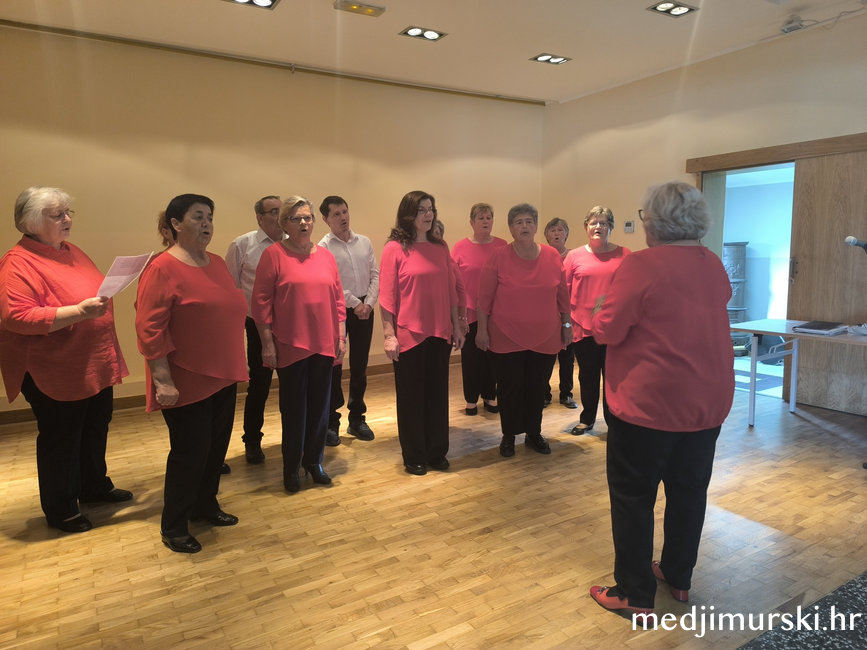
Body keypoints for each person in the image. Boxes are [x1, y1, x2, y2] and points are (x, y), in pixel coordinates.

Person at [588, 181, 734, 618]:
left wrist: (598, 308)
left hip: (647, 406)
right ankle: (678, 575)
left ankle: (634, 594)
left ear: (655, 222)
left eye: (645, 217)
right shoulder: (713, 264)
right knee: (689, 492)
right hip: (705, 404)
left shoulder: (641, 265)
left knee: (633, 497)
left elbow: (607, 330)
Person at [0, 187, 131, 533]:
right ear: (30, 222)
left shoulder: (70, 251)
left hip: (90, 361)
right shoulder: (18, 262)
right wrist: (78, 312)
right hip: (53, 368)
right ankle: (61, 509)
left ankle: (93, 486)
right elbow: (16, 317)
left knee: (95, 427)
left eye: (68, 212)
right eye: (57, 215)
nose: (68, 219)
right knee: (62, 439)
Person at [136, 194, 248, 554]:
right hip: (186, 378)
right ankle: (174, 525)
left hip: (223, 373)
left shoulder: (216, 262)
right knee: (190, 453)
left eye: (209, 217)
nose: (207, 224)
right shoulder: (161, 268)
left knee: (215, 449)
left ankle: (205, 505)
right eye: (198, 217)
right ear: (175, 224)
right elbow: (150, 330)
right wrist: (162, 380)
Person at [252, 196, 346, 494]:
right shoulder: (274, 255)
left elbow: (338, 300)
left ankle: (314, 462)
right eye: (296, 218)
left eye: (307, 217)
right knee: (294, 410)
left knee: (320, 407)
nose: (304, 223)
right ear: (285, 224)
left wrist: (340, 336)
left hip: (324, 343)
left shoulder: (326, 256)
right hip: (290, 344)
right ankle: (291, 467)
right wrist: (267, 344)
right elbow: (261, 304)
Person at [379, 191, 465, 476]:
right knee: (411, 398)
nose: (428, 215)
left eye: (431, 209)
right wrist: (389, 334)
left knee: (437, 395)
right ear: (408, 215)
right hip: (408, 334)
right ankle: (414, 454)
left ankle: (436, 451)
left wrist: (457, 326)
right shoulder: (394, 248)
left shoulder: (440, 247)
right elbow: (387, 297)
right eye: (422, 210)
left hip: (440, 332)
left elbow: (450, 292)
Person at [476, 204, 571, 458]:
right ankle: (509, 435)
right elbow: (484, 299)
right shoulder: (498, 257)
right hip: (506, 336)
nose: (524, 226)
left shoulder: (552, 256)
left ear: (536, 226)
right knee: (509, 388)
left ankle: (533, 433)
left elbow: (563, 296)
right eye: (518, 222)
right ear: (510, 228)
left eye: (529, 221)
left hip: (545, 336)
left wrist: (567, 325)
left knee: (537, 387)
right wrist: (482, 330)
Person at [225, 195, 285, 464]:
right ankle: (252, 440)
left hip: (289, 325)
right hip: (257, 325)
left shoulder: (292, 243)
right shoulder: (243, 245)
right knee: (259, 386)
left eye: (281, 210)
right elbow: (231, 289)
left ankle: (294, 436)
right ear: (259, 217)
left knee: (293, 386)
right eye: (273, 211)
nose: (279, 216)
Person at [563, 207, 630, 434]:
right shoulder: (574, 256)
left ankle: (614, 423)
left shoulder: (625, 254)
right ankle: (587, 419)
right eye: (593, 223)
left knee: (613, 378)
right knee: (587, 375)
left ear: (611, 227)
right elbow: (563, 292)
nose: (598, 227)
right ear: (586, 227)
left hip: (614, 329)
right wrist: (564, 324)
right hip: (583, 327)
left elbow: (631, 290)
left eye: (603, 223)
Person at [318, 195, 378, 446]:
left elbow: (375, 274)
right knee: (334, 366)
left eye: (345, 211)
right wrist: (356, 303)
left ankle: (357, 418)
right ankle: (332, 422)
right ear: (326, 219)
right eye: (336, 214)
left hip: (365, 309)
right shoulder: (323, 248)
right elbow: (332, 283)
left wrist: (369, 303)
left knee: (360, 365)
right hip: (337, 309)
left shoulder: (364, 242)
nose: (343, 217)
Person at [451, 203, 507, 416]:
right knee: (471, 357)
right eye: (481, 218)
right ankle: (471, 399)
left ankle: (490, 396)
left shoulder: (502, 246)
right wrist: (458, 315)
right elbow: (454, 281)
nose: (485, 221)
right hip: (468, 312)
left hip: (495, 311)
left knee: (492, 355)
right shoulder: (460, 247)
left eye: (488, 217)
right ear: (472, 222)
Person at [543, 217, 578, 410]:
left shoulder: (574, 256)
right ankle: (544, 394)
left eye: (560, 230)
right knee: (545, 357)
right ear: (546, 235)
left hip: (569, 315)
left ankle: (566, 394)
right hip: (547, 314)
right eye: (552, 230)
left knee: (567, 358)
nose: (556, 233)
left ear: (566, 234)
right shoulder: (541, 255)